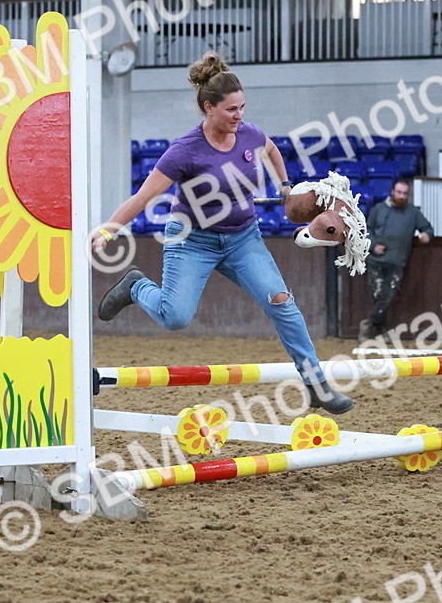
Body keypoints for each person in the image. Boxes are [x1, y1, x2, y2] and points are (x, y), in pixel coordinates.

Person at [90, 52, 354, 414]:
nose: (239, 115)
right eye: (231, 109)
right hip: (191, 241)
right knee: (175, 317)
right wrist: (108, 231)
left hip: (243, 238)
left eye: (242, 107)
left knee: (282, 302)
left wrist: (286, 186)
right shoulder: (184, 151)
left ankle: (316, 383)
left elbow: (272, 149)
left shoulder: (249, 135)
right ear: (208, 107)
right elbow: (144, 196)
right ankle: (136, 286)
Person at [358, 179, 434, 342]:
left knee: (389, 294)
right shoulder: (378, 209)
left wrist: (427, 235)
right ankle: (382, 330)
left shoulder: (413, 213)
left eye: (405, 193)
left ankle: (369, 324)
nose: (401, 196)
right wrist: (373, 245)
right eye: (399, 192)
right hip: (375, 261)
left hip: (397, 262)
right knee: (379, 295)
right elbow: (366, 231)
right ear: (392, 192)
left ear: (408, 195)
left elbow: (427, 228)